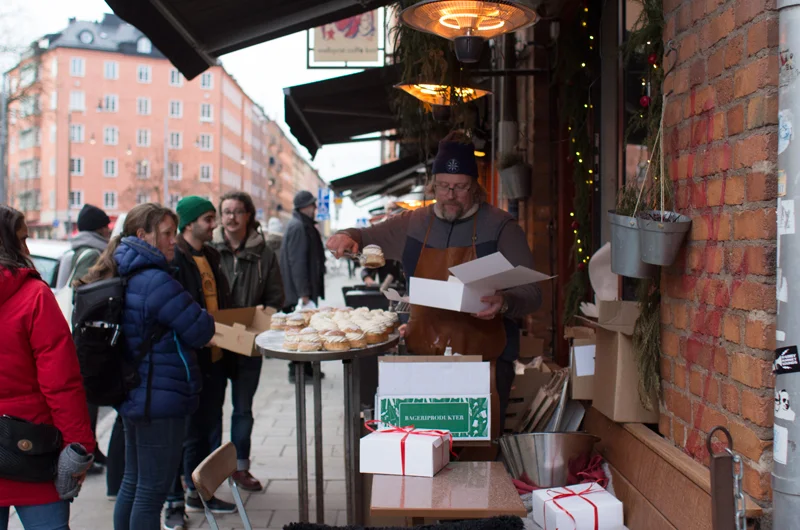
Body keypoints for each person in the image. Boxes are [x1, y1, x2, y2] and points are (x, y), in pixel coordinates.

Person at [327, 133, 542, 432]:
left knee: (475, 454)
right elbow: (366, 237)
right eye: (443, 186)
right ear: (433, 184)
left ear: (475, 186)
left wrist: (506, 301)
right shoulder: (413, 224)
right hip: (422, 361)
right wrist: (348, 234)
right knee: (422, 446)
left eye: (460, 187)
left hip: (484, 365)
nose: (450, 194)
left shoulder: (501, 227)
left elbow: (533, 292)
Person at [77, 203, 215, 530]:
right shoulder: (156, 281)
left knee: (134, 483)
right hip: (160, 398)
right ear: (143, 235)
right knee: (152, 491)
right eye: (166, 233)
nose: (172, 240)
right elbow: (201, 330)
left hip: (133, 393)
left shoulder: (119, 269)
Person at [0, 205, 95, 530]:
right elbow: (62, 382)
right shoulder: (34, 297)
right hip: (31, 448)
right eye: (22, 240)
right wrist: (79, 445)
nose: (27, 250)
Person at [164, 197, 237, 529]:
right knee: (185, 434)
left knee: (210, 428)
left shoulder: (211, 255)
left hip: (216, 355)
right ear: (188, 223)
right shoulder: (175, 258)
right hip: (189, 358)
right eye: (208, 219)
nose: (215, 224)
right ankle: (175, 500)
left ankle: (202, 491)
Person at [211, 192, 284, 493]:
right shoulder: (208, 250)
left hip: (247, 344)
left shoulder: (264, 254)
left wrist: (255, 324)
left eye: (237, 212)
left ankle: (240, 469)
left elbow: (276, 298)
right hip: (213, 342)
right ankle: (210, 472)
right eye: (226, 212)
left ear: (249, 216)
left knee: (243, 410)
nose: (231, 217)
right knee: (212, 410)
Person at [280, 190, 326, 383]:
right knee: (300, 332)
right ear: (304, 207)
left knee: (307, 330)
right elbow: (297, 262)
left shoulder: (303, 225)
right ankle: (297, 372)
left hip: (304, 290)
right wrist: (304, 294)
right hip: (300, 293)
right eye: (313, 205)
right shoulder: (298, 227)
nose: (315, 208)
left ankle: (307, 370)